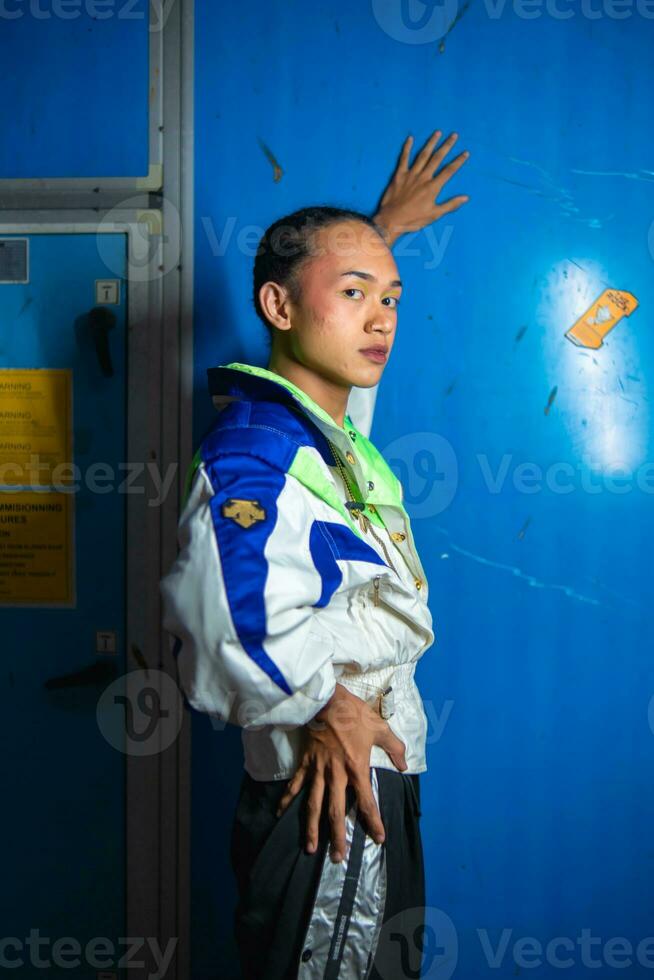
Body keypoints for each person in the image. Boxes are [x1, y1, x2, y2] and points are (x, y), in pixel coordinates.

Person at [160, 129, 469, 980]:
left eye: (394, 298)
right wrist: (326, 705)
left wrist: (377, 235)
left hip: (373, 779)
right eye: (357, 292)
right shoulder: (252, 452)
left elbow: (339, 414)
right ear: (278, 307)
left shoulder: (321, 437)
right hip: (330, 799)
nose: (382, 317)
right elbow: (221, 618)